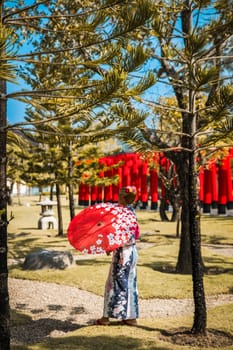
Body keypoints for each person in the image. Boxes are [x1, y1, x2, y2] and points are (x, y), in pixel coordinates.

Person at [96, 186, 139, 326]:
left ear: (123, 198)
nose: (118, 198)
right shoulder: (131, 212)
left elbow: (120, 236)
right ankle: (130, 316)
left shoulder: (121, 213)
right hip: (131, 251)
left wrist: (110, 246)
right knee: (129, 283)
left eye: (120, 196)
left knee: (114, 283)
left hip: (122, 253)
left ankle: (107, 317)